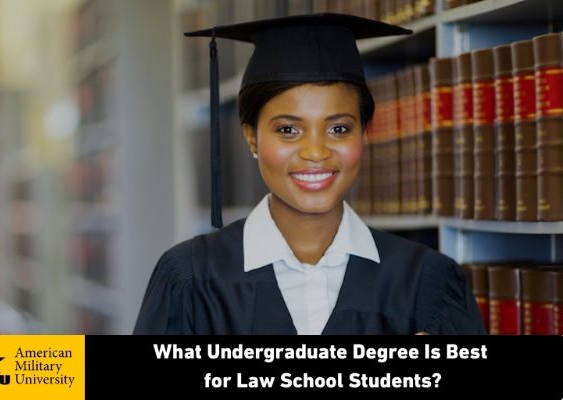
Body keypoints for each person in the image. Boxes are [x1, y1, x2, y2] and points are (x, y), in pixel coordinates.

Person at [133, 13, 486, 335]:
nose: (316, 152)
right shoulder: (189, 277)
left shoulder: (428, 283)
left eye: (339, 129)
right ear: (251, 136)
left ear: (364, 134)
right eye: (288, 130)